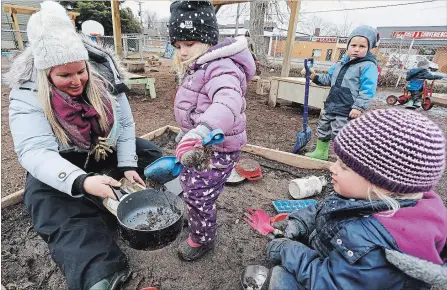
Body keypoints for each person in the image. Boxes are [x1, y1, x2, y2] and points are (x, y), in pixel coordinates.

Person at [5, 2, 162, 290]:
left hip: (106, 149)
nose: (77, 81)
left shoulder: (104, 75)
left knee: (150, 154)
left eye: (80, 72)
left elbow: (125, 126)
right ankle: (98, 270)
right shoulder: (26, 94)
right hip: (67, 163)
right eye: (65, 76)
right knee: (46, 202)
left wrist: (126, 165)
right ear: (45, 74)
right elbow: (35, 152)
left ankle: (163, 199)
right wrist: (81, 182)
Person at [256, 108, 447, 289]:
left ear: (380, 184)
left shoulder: (375, 247)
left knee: (282, 279)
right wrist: (299, 223)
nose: (332, 167)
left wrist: (287, 251)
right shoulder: (367, 197)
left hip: (337, 280)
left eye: (344, 167)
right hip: (338, 263)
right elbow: (329, 209)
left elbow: (329, 283)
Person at [168, 0, 255, 261]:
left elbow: (227, 103)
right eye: (178, 46)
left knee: (198, 192)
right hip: (202, 143)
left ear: (207, 39)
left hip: (218, 146)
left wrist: (202, 129)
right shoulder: (200, 65)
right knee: (190, 184)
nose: (183, 52)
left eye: (189, 44)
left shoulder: (221, 68)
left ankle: (202, 238)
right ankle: (198, 217)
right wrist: (188, 132)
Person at [304, 25, 379, 161]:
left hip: (348, 107)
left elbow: (368, 89)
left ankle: (343, 160)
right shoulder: (340, 63)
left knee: (341, 132)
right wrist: (314, 77)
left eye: (362, 46)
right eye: (353, 45)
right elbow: (328, 79)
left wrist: (358, 107)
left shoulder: (368, 66)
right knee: (324, 126)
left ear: (369, 48)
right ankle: (321, 152)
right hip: (332, 102)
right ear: (348, 45)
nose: (356, 49)